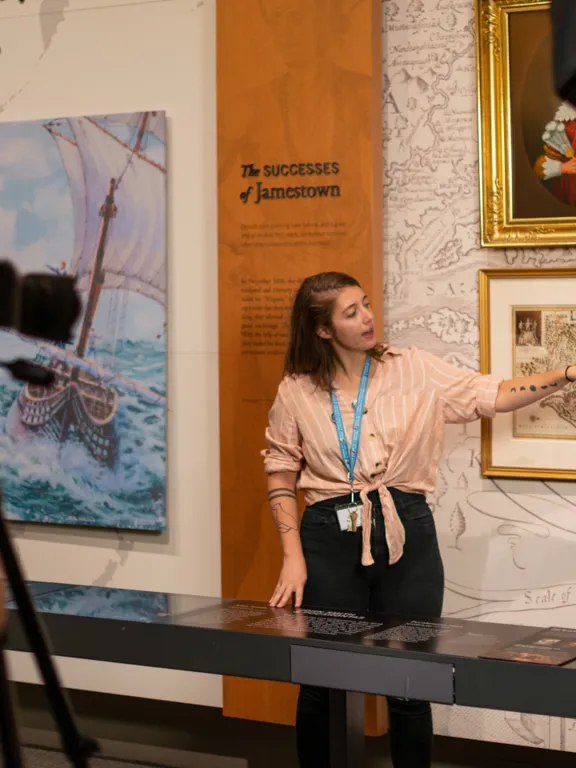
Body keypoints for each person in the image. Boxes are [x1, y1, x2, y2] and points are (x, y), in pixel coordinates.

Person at [261, 271, 576, 768]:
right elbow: (280, 472)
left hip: (407, 532)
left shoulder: (415, 369)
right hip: (327, 533)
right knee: (321, 682)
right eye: (351, 312)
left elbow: (492, 394)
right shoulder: (295, 392)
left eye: (365, 304)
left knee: (410, 680)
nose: (368, 317)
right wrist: (292, 559)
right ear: (322, 330)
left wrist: (565, 375)